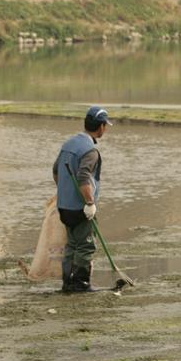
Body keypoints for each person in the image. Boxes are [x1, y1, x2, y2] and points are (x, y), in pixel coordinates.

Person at [52, 106, 112, 292]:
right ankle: (80, 284)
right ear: (101, 127)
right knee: (85, 246)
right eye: (105, 125)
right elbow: (84, 178)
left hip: (64, 206)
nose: (105, 129)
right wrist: (89, 203)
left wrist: (65, 192)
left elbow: (56, 171)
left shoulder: (68, 144)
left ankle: (67, 282)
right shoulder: (90, 151)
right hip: (80, 208)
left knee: (72, 245)